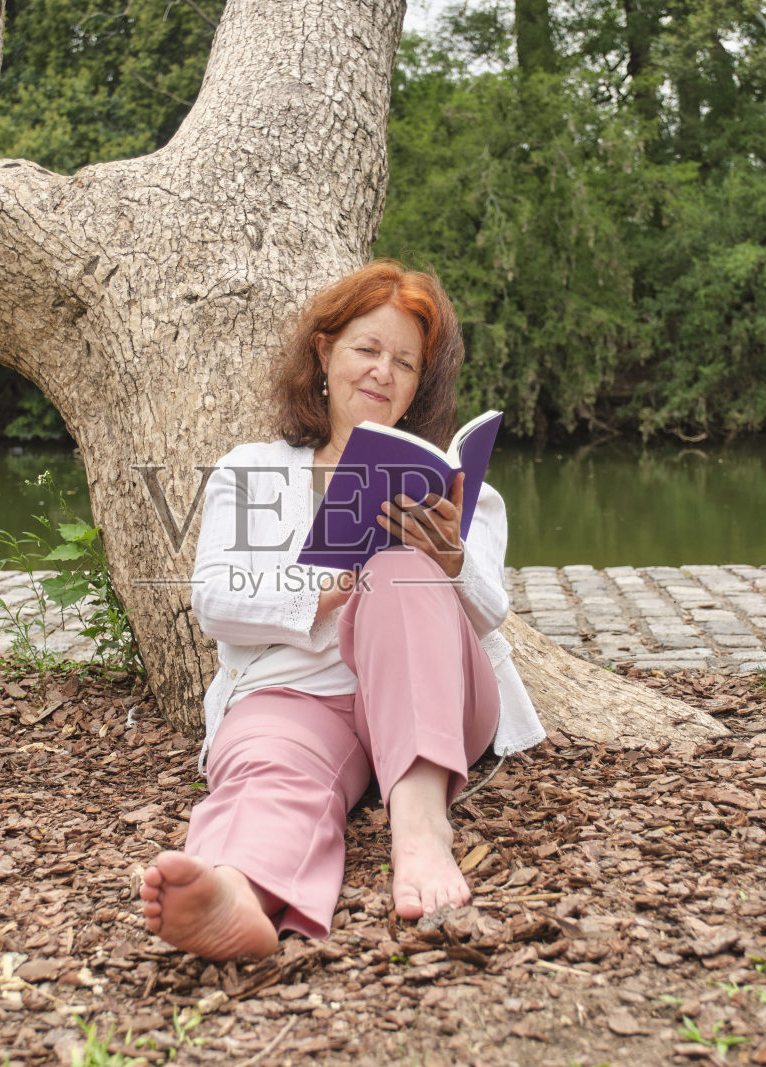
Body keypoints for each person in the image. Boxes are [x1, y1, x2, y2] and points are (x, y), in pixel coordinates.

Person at [138, 260, 545, 960]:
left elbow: (490, 613)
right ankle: (235, 891)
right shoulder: (252, 471)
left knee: (400, 570)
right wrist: (329, 582)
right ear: (325, 353)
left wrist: (448, 559)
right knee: (271, 766)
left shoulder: (452, 488)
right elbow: (215, 601)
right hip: (300, 695)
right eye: (367, 349)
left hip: (434, 697)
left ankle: (421, 832)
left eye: (405, 363)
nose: (383, 372)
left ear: (419, 385)